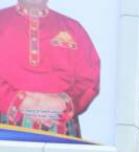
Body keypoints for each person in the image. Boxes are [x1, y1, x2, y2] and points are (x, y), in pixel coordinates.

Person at [0, 0, 100, 137]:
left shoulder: (73, 28)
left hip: (61, 123)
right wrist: (19, 101)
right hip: (5, 120)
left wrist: (63, 103)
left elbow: (90, 79)